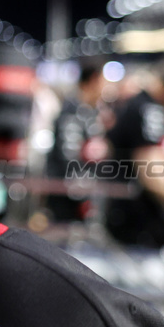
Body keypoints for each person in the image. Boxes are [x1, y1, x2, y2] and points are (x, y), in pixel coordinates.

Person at [103, 63, 164, 249]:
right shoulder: (148, 109)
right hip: (138, 222)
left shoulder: (143, 105)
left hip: (131, 217)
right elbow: (157, 178)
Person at [44, 60, 108, 224]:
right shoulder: (72, 111)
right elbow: (68, 155)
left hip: (84, 191)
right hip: (66, 194)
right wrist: (82, 193)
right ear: (93, 80)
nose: (105, 88)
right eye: (103, 82)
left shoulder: (90, 111)